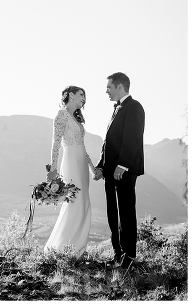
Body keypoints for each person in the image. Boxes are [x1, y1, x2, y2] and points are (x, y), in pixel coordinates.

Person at [44, 86, 100, 256]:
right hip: (70, 162)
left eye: (85, 95)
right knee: (74, 202)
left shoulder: (76, 119)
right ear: (70, 95)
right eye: (81, 94)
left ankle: (77, 248)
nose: (84, 98)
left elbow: (82, 148)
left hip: (81, 163)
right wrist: (53, 170)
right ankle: (63, 249)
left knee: (83, 202)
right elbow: (56, 143)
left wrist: (92, 168)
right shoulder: (61, 115)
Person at [97, 72, 144, 269]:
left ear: (119, 87)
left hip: (123, 170)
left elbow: (132, 138)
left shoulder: (134, 107)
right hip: (110, 170)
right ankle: (118, 253)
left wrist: (122, 165)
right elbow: (110, 143)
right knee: (112, 213)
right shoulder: (117, 109)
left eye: (108, 87)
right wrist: (101, 165)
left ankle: (129, 256)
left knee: (126, 212)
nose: (106, 91)